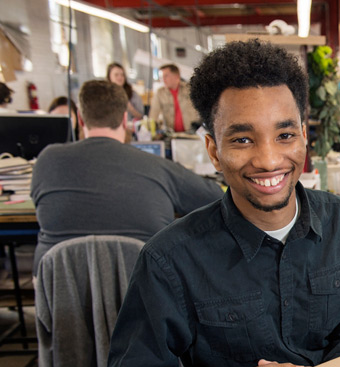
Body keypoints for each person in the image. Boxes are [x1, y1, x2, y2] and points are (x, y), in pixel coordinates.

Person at [102, 40, 340, 367]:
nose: (268, 160)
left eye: (285, 135)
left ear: (304, 136)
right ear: (214, 151)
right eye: (242, 139)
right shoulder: (169, 258)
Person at [31, 80, 222, 271]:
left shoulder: (47, 159)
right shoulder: (155, 166)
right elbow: (215, 198)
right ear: (124, 119)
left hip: (58, 288)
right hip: (142, 291)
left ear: (80, 119)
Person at [153, 63, 199, 133]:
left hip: (192, 132)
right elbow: (153, 114)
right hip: (171, 134)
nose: (163, 79)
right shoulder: (160, 93)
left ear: (176, 76)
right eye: (161, 77)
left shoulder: (190, 89)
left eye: (166, 76)